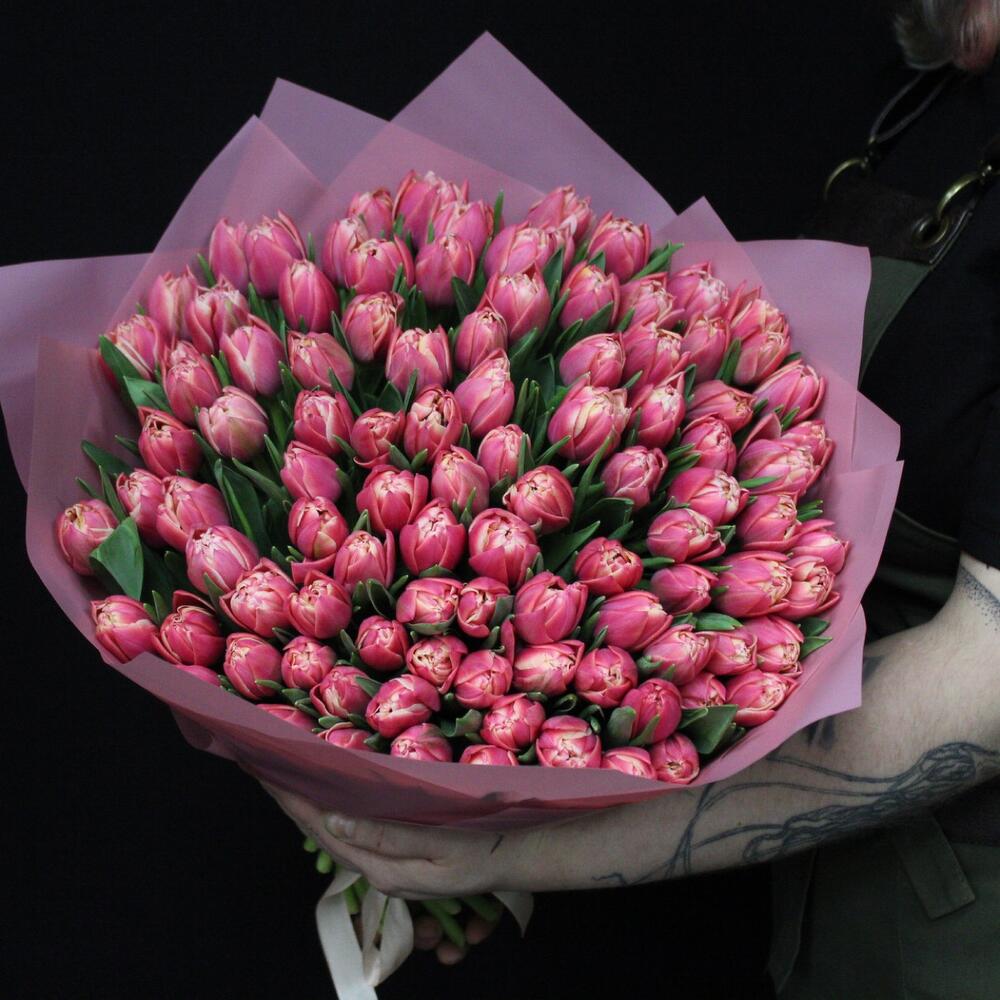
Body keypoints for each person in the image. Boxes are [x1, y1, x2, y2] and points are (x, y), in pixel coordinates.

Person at [269, 2, 1000, 996]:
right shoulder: (924, 99)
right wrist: (452, 792)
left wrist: (514, 850)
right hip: (829, 913)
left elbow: (985, 675)